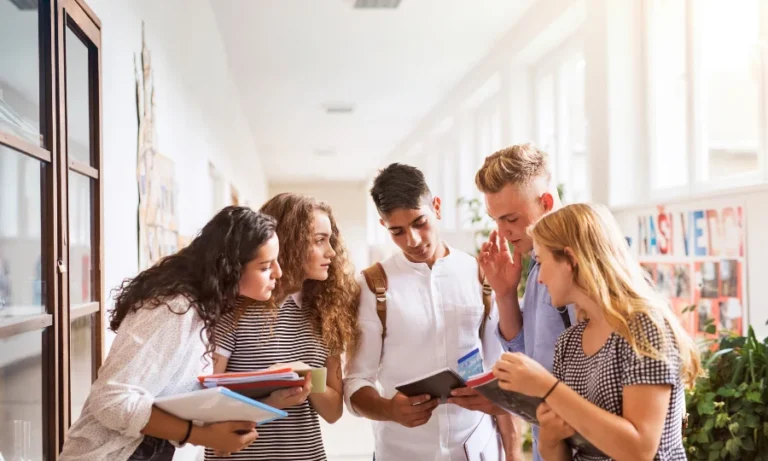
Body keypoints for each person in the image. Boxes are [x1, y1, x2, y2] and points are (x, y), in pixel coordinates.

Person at [60, 206, 282, 461]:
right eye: (265, 266)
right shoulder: (175, 308)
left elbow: (172, 395)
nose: (279, 272)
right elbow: (110, 401)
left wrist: (268, 392)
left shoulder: (202, 309)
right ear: (230, 268)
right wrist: (204, 436)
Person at [492, 203, 702, 460]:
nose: (539, 279)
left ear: (570, 260)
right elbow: (561, 453)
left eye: (541, 261)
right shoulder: (569, 343)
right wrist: (549, 436)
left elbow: (639, 450)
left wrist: (548, 388)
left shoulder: (644, 329)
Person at [344, 163, 521, 461]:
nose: (412, 240)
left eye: (419, 222)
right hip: (402, 451)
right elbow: (356, 383)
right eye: (397, 231)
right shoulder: (374, 286)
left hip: (477, 447)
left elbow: (498, 367)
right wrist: (388, 409)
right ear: (383, 226)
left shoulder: (478, 273)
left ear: (436, 207)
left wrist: (514, 453)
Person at [206, 193, 360, 461]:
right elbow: (207, 403)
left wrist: (308, 377)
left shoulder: (327, 313)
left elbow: (334, 412)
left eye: (331, 241)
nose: (331, 252)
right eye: (319, 241)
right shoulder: (233, 311)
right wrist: (269, 403)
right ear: (289, 242)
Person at [475, 144, 576, 460]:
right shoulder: (536, 263)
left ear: (546, 202)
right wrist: (505, 294)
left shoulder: (578, 266)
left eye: (511, 218)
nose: (503, 232)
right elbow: (527, 353)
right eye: (496, 220)